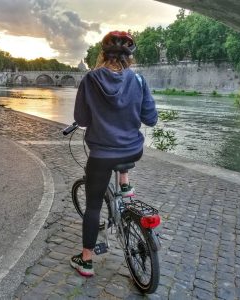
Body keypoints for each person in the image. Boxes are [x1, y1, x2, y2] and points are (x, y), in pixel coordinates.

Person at [70, 31, 158, 276]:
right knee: (125, 142)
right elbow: (150, 119)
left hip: (101, 154)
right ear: (129, 58)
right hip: (132, 150)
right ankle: (125, 180)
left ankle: (86, 261)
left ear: (103, 54)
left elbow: (82, 119)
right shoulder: (139, 81)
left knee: (93, 207)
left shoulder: (90, 80)